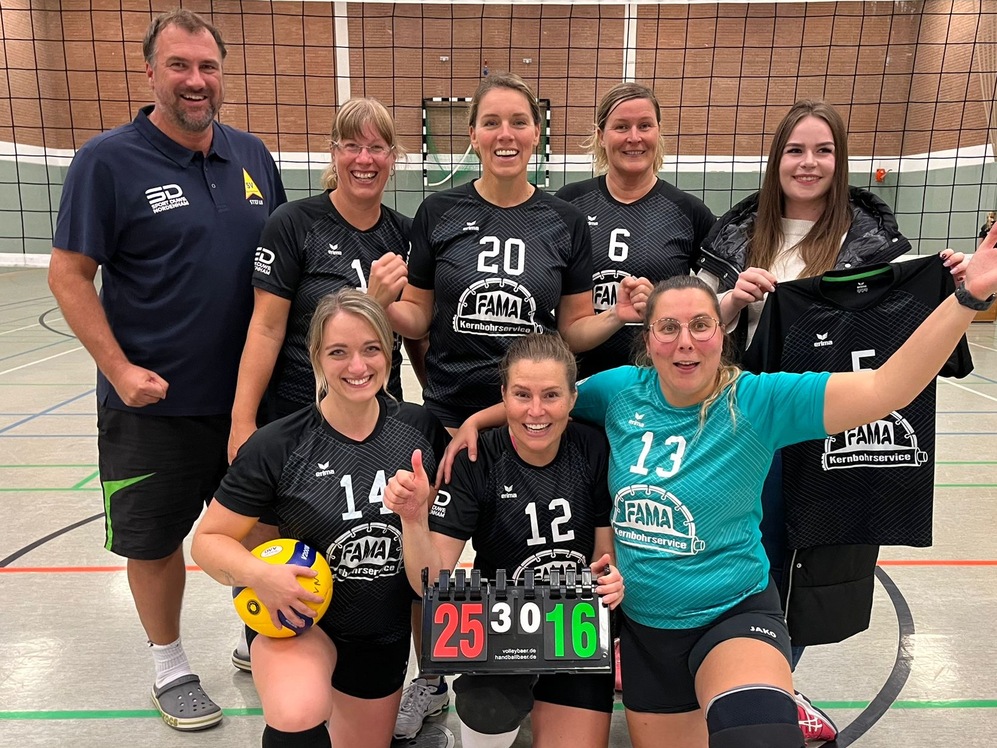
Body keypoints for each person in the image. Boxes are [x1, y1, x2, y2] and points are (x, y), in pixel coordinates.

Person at [445, 244, 997, 747]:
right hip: (644, 633)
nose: (685, 341)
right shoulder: (618, 392)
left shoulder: (758, 401)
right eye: (668, 328)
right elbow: (545, 403)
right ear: (648, 339)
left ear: (722, 333)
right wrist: (478, 421)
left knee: (757, 735)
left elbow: (885, 388)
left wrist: (967, 296)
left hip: (731, 614)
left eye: (700, 325)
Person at [693, 98, 967, 741]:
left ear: (840, 163)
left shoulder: (875, 244)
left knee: (816, 564)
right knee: (742, 557)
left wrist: (955, 293)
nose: (808, 163)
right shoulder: (735, 238)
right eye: (795, 150)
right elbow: (697, 330)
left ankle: (781, 683)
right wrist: (731, 300)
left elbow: (917, 349)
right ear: (775, 161)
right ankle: (739, 678)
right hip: (745, 433)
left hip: (834, 436)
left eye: (823, 151)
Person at [47, 9, 286, 732]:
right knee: (155, 541)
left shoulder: (252, 157)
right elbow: (67, 274)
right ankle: (170, 664)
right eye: (179, 65)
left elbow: (279, 277)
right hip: (151, 405)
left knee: (261, 526)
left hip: (249, 401)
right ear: (150, 71)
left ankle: (256, 631)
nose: (194, 80)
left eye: (207, 67)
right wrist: (118, 369)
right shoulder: (107, 160)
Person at [191, 290, 449, 748]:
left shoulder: (419, 430)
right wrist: (258, 574)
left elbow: (429, 583)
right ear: (316, 357)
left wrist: (413, 519)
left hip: (379, 631)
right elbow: (208, 542)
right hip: (300, 619)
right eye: (338, 352)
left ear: (390, 349)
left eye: (371, 348)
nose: (357, 366)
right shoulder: (278, 446)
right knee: (297, 712)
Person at [384, 333, 625, 748]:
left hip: (574, 629)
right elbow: (429, 579)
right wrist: (412, 520)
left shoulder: (594, 449)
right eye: (522, 394)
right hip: (501, 625)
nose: (536, 411)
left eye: (550, 395)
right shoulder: (478, 460)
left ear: (572, 398)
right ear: (503, 396)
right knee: (486, 709)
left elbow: (604, 555)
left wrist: (610, 579)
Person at [380, 72, 650, 431]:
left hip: (532, 416)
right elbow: (418, 315)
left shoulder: (566, 221)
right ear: (474, 135)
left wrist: (616, 314)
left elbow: (571, 331)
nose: (505, 134)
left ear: (536, 133)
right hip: (450, 411)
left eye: (519, 122)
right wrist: (380, 304)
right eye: (491, 123)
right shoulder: (438, 211)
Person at [228, 96, 414, 465]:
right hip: (299, 414)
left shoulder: (406, 235)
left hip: (379, 417)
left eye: (377, 147)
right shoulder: (293, 224)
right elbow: (265, 328)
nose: (365, 159)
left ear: (392, 158)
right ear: (334, 153)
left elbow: (418, 337)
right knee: (280, 524)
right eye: (352, 146)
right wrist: (242, 423)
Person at [556, 82, 715, 378]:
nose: (634, 138)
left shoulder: (689, 212)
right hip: (578, 378)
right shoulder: (569, 203)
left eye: (644, 125)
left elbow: (715, 301)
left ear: (658, 132)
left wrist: (663, 303)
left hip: (659, 379)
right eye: (621, 127)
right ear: (601, 136)